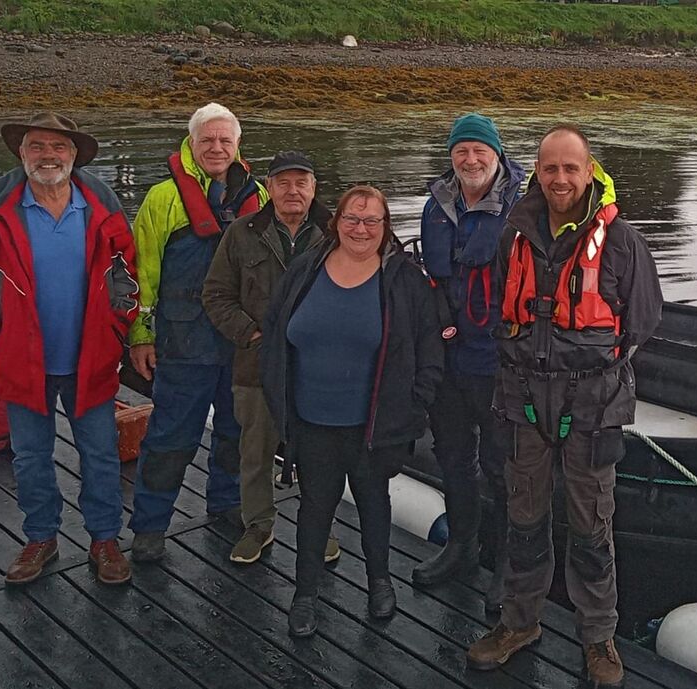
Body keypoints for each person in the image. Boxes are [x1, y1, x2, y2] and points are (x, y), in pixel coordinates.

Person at [466, 125, 663, 688]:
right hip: (524, 399)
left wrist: (595, 365)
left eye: (570, 168)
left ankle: (598, 638)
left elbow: (644, 318)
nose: (559, 179)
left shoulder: (623, 241)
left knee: (591, 527)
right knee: (523, 519)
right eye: (549, 168)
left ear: (588, 170)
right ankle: (519, 623)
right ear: (537, 171)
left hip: (592, 404)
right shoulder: (514, 234)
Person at [0, 112, 140, 585]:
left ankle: (104, 539)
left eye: (58, 148)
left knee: (99, 454)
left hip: (90, 358)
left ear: (74, 156)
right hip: (23, 362)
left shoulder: (102, 207)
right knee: (30, 456)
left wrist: (116, 330)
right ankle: (40, 538)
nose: (48, 156)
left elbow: (128, 277)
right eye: (37, 146)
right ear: (21, 153)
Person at [261, 185, 444, 637]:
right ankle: (305, 594)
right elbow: (275, 331)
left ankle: (379, 582)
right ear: (335, 222)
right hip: (311, 422)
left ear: (385, 229)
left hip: (374, 425)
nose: (360, 228)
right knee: (313, 509)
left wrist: (415, 404)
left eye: (371, 221)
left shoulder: (403, 280)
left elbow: (429, 349)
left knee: (374, 506)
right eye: (351, 218)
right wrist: (279, 404)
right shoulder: (306, 268)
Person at [127, 103, 268, 562]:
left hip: (241, 345)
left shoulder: (259, 197)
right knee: (170, 439)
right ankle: (149, 526)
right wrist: (141, 334)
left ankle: (226, 503)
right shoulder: (163, 198)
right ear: (190, 142)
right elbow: (141, 274)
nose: (216, 147)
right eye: (207, 139)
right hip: (183, 342)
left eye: (225, 140)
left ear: (238, 145)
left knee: (234, 433)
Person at [202, 150, 342, 565]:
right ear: (269, 187)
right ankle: (258, 525)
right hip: (255, 365)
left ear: (314, 187)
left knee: (319, 454)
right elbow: (216, 294)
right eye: (283, 182)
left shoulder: (337, 234)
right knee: (254, 453)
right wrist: (252, 334)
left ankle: (321, 530)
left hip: (317, 370)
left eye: (302, 182)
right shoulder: (242, 233)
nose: (292, 190)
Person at [412, 113, 525, 614]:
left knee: (502, 465)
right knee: (453, 455)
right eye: (461, 151)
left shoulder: (522, 207)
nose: (470, 159)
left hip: (498, 359)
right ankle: (461, 547)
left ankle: (505, 563)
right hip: (447, 356)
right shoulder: (435, 206)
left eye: (480, 150)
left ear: (497, 155)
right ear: (451, 156)